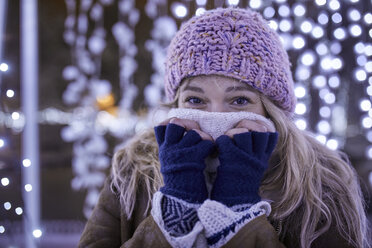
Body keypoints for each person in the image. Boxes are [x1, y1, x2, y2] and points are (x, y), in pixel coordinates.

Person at [78, 7, 370, 248]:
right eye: (196, 99)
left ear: (270, 108)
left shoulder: (322, 182)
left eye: (239, 100)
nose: (216, 116)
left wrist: (238, 212)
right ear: (176, 102)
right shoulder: (132, 170)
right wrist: (176, 207)